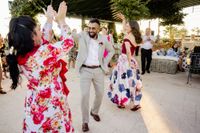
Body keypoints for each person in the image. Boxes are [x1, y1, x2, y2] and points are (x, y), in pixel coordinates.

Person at [6, 2, 74, 132]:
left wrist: (49, 19)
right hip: (52, 103)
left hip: (36, 103)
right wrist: (61, 20)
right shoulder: (43, 53)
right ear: (31, 36)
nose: (40, 28)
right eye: (37, 28)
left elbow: (42, 39)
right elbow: (69, 42)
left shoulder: (23, 53)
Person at [74, 18, 114, 132]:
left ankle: (94, 111)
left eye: (93, 28)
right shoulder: (82, 35)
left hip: (98, 71)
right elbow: (72, 36)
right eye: (89, 28)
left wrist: (104, 62)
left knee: (100, 94)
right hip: (85, 70)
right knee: (84, 96)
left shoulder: (103, 39)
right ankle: (85, 121)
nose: (91, 30)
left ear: (99, 29)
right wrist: (61, 22)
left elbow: (111, 51)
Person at [108, 13, 143, 111]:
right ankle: (136, 102)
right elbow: (124, 29)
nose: (125, 27)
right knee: (134, 81)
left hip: (125, 60)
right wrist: (123, 19)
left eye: (128, 25)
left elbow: (127, 51)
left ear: (132, 27)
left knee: (123, 81)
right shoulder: (134, 36)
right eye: (126, 25)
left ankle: (122, 102)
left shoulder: (127, 37)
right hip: (131, 59)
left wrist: (128, 63)